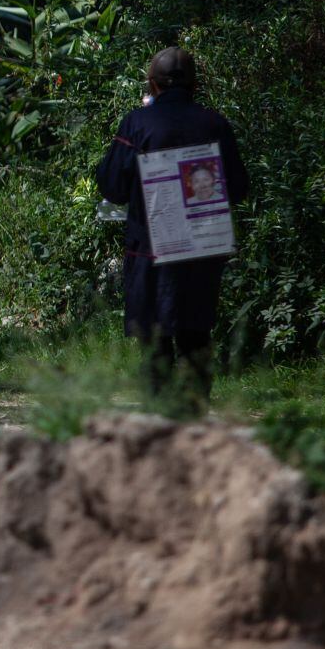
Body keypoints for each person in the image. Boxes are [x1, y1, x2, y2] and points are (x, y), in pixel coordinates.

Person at [95, 47, 249, 406]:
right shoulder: (215, 125)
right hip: (201, 249)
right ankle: (194, 420)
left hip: (150, 249)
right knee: (196, 334)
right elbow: (238, 188)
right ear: (197, 84)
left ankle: (159, 416)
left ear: (153, 83)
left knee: (154, 337)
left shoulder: (137, 124)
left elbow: (113, 187)